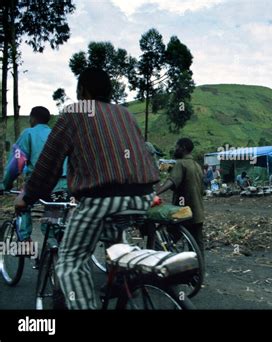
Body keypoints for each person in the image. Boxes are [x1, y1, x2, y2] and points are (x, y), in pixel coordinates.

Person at [14, 68, 160, 310]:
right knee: (115, 239)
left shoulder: (75, 113)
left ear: (83, 90)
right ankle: (123, 278)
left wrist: (27, 196)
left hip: (102, 198)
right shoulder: (125, 114)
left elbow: (48, 165)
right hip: (143, 195)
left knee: (70, 262)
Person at [2, 106, 68, 245]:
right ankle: (52, 254)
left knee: (21, 205)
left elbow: (16, 163)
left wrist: (5, 184)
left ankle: (25, 242)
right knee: (51, 223)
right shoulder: (56, 135)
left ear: (32, 118)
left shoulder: (29, 133)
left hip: (40, 183)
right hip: (62, 186)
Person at [155, 138, 205, 257]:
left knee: (168, 238)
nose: (175, 149)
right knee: (197, 244)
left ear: (182, 148)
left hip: (183, 212)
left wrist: (157, 191)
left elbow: (172, 181)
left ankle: (161, 262)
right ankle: (198, 269)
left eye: (176, 147)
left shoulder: (181, 163)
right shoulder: (197, 166)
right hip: (197, 212)